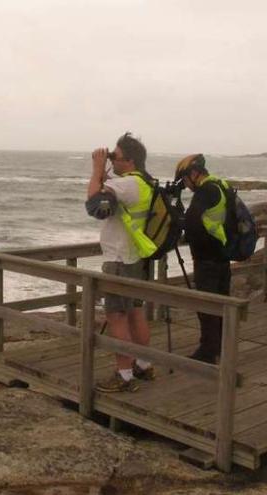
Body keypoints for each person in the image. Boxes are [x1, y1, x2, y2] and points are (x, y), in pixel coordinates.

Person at [86, 132, 154, 393]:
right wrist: (105, 176)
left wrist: (96, 171)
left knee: (117, 317)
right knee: (136, 313)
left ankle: (124, 375)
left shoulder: (126, 185)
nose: (113, 161)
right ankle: (144, 365)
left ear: (131, 161)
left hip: (118, 260)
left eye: (117, 157)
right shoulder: (144, 183)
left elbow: (93, 206)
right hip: (136, 258)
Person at [175, 154, 231, 364]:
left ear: (194, 174)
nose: (185, 185)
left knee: (207, 306)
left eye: (184, 180)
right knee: (221, 304)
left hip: (207, 257)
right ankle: (221, 346)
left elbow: (192, 222)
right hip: (222, 254)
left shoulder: (205, 190)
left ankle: (208, 351)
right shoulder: (220, 185)